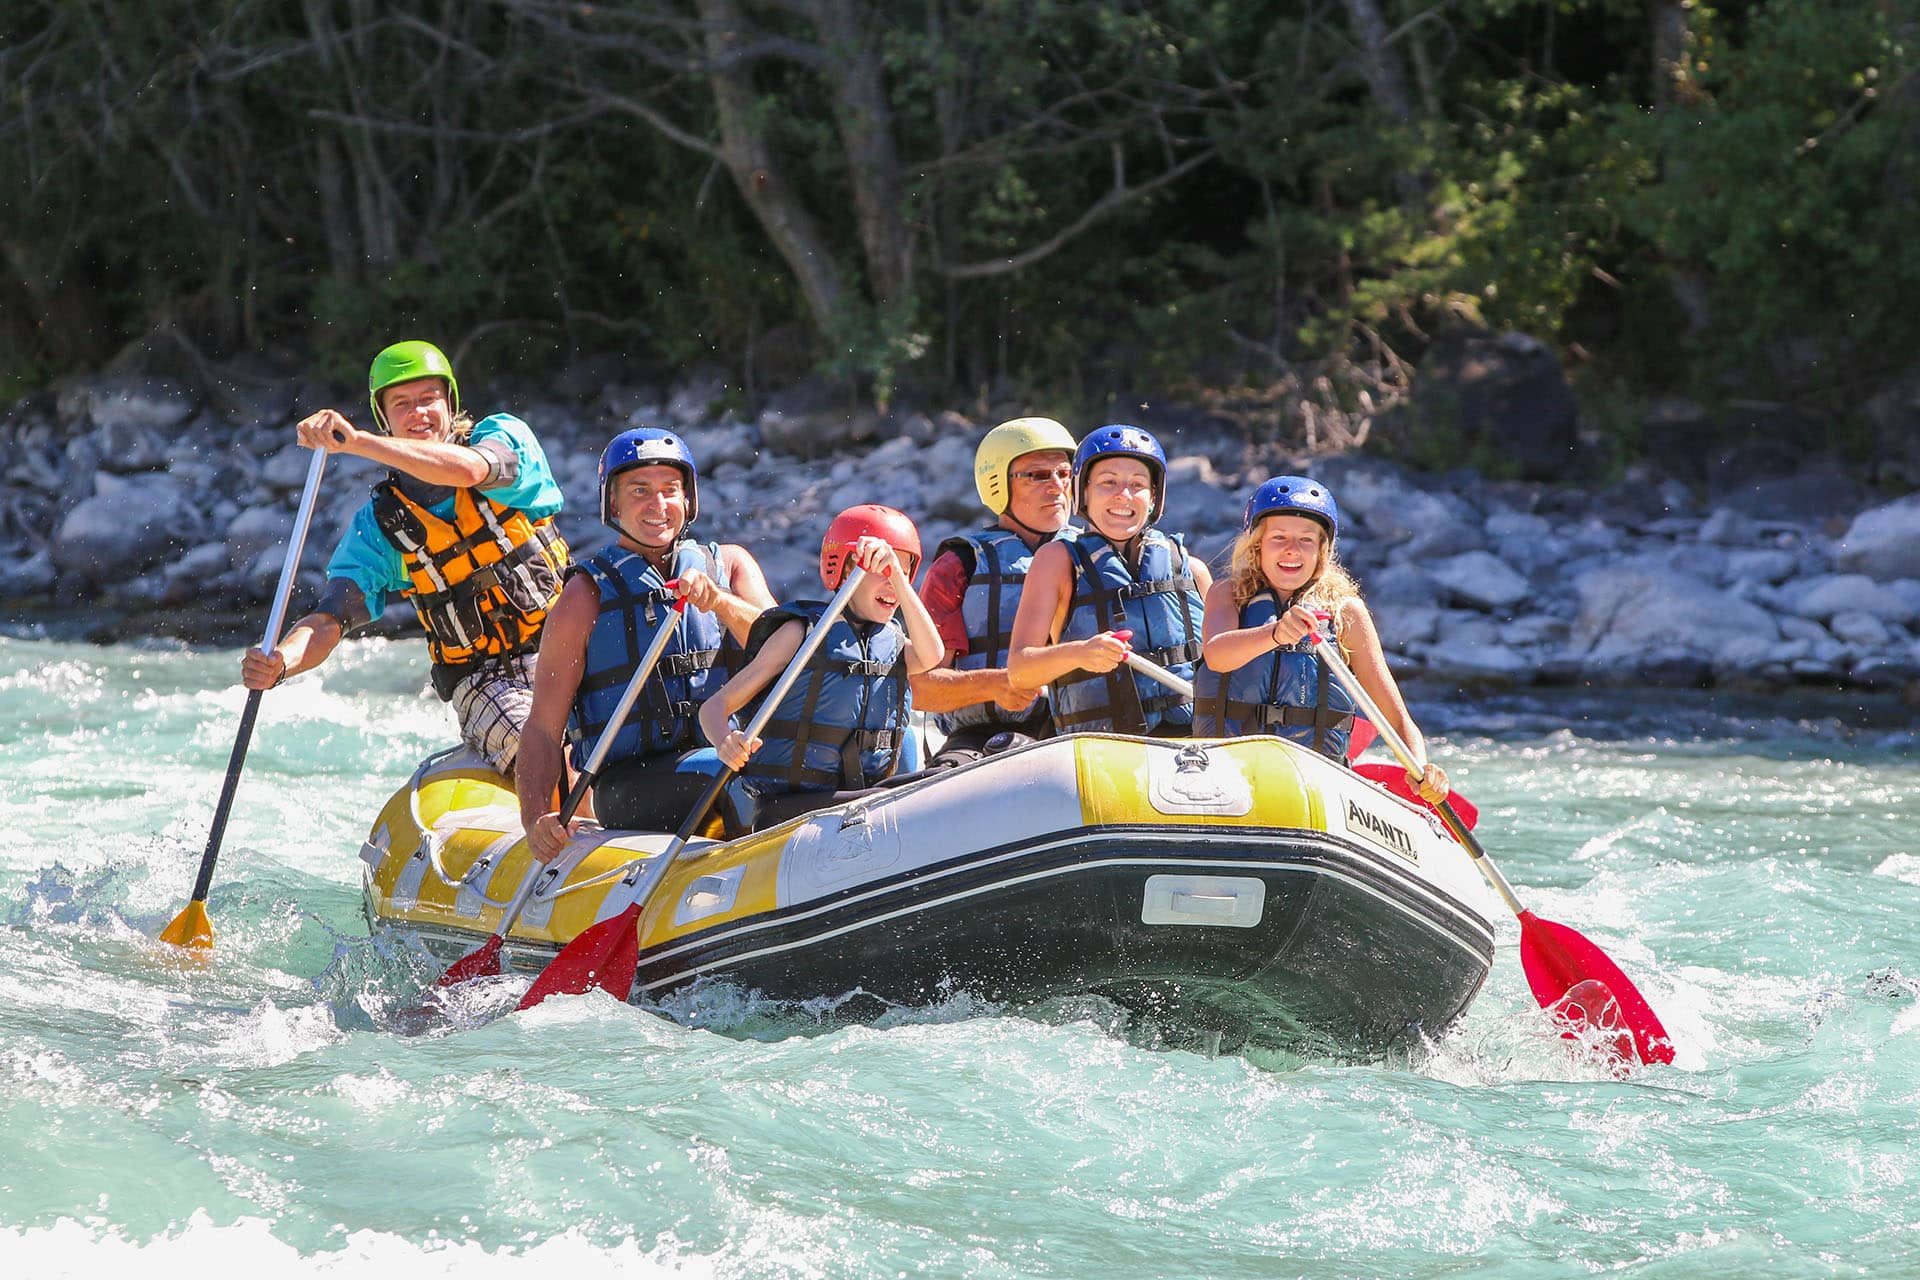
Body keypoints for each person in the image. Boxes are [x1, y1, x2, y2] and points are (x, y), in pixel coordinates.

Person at [240, 340, 568, 775]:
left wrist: (357, 443)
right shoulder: (380, 527)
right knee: (547, 750)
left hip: (572, 649)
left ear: (449, 404)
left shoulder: (505, 438)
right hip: (489, 682)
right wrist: (280, 661)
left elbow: (471, 471)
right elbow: (329, 619)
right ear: (385, 418)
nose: (419, 413)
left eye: (429, 399)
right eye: (402, 404)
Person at [516, 428, 776, 859]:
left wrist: (722, 603)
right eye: (640, 490)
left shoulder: (729, 566)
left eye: (670, 490)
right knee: (731, 777)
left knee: (772, 767)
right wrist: (535, 817)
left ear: (688, 499)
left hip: (726, 750)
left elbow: (786, 650)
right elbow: (544, 726)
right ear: (613, 503)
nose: (658, 505)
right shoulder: (584, 596)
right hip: (630, 783)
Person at [1193, 475, 1447, 802]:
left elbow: (1394, 716)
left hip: (1312, 779)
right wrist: (1274, 633)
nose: (1291, 550)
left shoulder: (1346, 613)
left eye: (1306, 540)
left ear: (1322, 551)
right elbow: (1217, 655)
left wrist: (1422, 765)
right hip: (1227, 768)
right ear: (1257, 545)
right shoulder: (1228, 593)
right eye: (1278, 538)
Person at [700, 505, 943, 829]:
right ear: (844, 571)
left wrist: (898, 579)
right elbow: (715, 707)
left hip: (860, 800)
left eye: (902, 571)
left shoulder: (892, 642)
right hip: (792, 808)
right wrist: (725, 740)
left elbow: (932, 655)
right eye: (882, 570)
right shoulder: (802, 634)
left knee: (931, 782)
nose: (892, 584)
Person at [1005, 425, 1211, 736]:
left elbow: (1228, 667)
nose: (1123, 495)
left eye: (1137, 484)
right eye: (1108, 482)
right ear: (1082, 491)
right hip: (1103, 749)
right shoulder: (1057, 562)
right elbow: (1020, 671)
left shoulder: (1192, 571)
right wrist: (1080, 653)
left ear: (1154, 497)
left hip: (1190, 749)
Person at [911, 417, 1079, 766]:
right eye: (1037, 475)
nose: (1057, 487)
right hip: (984, 738)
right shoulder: (959, 566)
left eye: (1064, 474)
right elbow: (920, 688)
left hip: (1087, 735)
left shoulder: (1097, 557)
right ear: (998, 484)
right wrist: (996, 684)